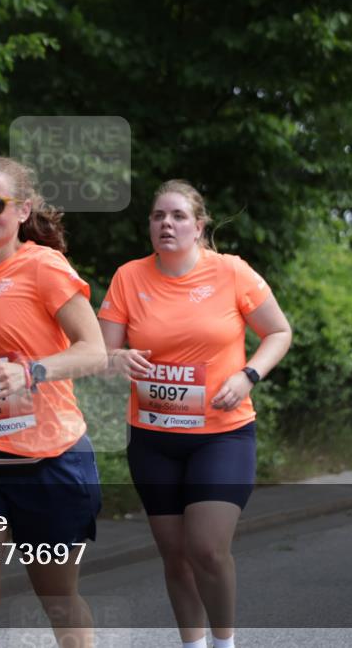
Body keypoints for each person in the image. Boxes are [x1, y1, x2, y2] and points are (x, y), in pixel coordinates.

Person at [97, 180, 292, 648]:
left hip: (222, 434)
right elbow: (99, 356)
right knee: (175, 555)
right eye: (158, 216)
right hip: (152, 437)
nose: (167, 224)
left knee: (206, 548)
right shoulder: (129, 277)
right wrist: (115, 360)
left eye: (179, 216)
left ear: (199, 226)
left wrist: (248, 375)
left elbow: (279, 332)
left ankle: (224, 642)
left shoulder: (232, 272)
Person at [0, 156, 106, 648]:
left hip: (47, 460)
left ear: (23, 209)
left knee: (57, 599)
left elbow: (93, 352)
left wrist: (29, 372)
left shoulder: (44, 266)